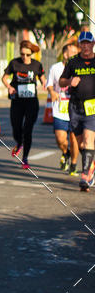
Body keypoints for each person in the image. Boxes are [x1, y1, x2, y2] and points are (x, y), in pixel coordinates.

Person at [2, 40, 47, 169]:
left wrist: (44, 83)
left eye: (27, 55)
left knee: (28, 130)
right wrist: (9, 87)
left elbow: (42, 76)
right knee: (16, 128)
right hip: (17, 101)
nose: (24, 57)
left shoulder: (36, 65)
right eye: (22, 54)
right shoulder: (14, 63)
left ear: (31, 54)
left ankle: (25, 158)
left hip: (31, 102)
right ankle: (19, 143)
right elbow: (4, 78)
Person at [59, 30, 95, 191]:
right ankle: (91, 165)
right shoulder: (73, 62)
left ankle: (85, 176)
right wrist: (69, 81)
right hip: (74, 107)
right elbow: (61, 82)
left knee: (88, 139)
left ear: (93, 44)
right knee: (81, 143)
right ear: (80, 45)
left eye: (89, 43)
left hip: (92, 107)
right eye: (83, 43)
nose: (86, 46)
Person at [47, 40, 79, 174]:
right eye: (71, 52)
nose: (73, 55)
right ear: (65, 54)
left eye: (75, 53)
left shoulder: (79, 68)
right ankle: (65, 152)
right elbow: (49, 84)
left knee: (74, 138)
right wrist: (52, 92)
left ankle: (73, 164)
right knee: (61, 139)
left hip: (76, 109)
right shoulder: (55, 68)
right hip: (59, 109)